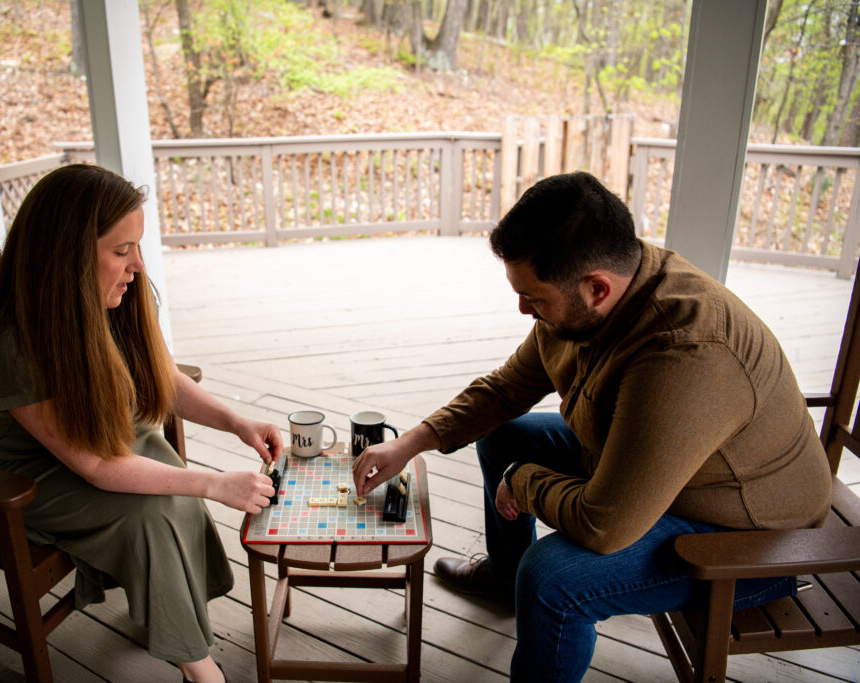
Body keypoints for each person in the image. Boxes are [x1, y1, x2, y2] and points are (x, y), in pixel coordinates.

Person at [352, 171, 832, 682]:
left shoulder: (685, 353)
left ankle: (527, 591)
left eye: (534, 298)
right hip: (655, 466)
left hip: (751, 536)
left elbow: (606, 525)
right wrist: (410, 444)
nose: (523, 309)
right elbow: (504, 391)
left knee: (552, 578)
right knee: (504, 435)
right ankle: (505, 576)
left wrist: (526, 483)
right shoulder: (596, 290)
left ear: (597, 288)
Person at [0, 164, 280, 683]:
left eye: (137, 246)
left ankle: (171, 615)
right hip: (29, 471)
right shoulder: (15, 344)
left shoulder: (120, 299)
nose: (138, 263)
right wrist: (213, 482)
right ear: (66, 256)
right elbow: (94, 465)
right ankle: (200, 667)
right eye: (121, 250)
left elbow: (166, 379)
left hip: (106, 436)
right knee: (151, 515)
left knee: (168, 474)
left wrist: (237, 422)